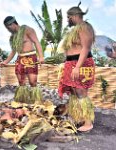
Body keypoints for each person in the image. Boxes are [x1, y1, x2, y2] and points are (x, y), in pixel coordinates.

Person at [58, 2, 95, 132]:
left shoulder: (84, 27)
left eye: (69, 17)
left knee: (81, 92)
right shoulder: (75, 30)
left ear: (75, 15)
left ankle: (88, 122)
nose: (67, 20)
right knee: (73, 92)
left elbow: (86, 47)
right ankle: (78, 117)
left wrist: (78, 66)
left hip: (81, 63)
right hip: (71, 63)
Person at [1, 16, 44, 104]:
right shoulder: (13, 37)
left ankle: (36, 101)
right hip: (20, 59)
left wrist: (41, 57)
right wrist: (5, 62)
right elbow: (13, 51)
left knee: (33, 82)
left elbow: (36, 42)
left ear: (13, 24)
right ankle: (23, 102)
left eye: (8, 27)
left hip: (30, 57)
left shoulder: (27, 29)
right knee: (21, 82)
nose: (8, 30)